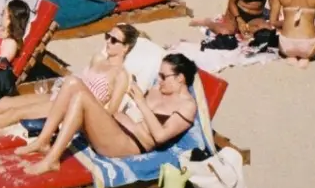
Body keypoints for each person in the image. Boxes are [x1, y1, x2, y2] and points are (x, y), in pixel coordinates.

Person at [0, 23, 136, 135]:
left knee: (16, 113)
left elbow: (109, 112)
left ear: (126, 48)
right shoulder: (98, 58)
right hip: (59, 92)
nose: (108, 42)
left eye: (114, 40)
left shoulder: (121, 76)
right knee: (7, 101)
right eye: (107, 36)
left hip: (70, 106)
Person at [17, 52, 198, 175]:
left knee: (81, 97)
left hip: (127, 144)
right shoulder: (159, 89)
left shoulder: (186, 107)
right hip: (114, 127)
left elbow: (160, 136)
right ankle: (43, 140)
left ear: (180, 78)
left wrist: (141, 103)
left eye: (163, 76)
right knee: (72, 82)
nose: (159, 81)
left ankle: (52, 160)